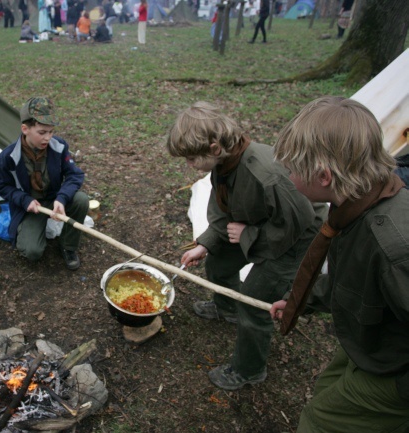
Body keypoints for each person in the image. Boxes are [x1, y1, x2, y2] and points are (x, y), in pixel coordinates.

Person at [269, 97, 409, 433]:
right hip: (370, 341)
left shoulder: (394, 247)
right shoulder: (358, 202)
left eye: (291, 169)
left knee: (319, 423)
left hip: (396, 369)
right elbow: (352, 275)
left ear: (323, 176)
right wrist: (303, 300)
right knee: (328, 389)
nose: (287, 176)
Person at [166, 102, 324, 390]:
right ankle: (226, 307)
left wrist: (250, 234)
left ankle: (250, 370)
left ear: (214, 148)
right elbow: (224, 208)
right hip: (258, 225)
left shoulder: (265, 173)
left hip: (296, 237)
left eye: (190, 158)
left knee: (255, 299)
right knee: (219, 262)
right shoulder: (225, 163)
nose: (188, 165)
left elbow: (301, 218)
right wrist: (207, 243)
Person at [0, 97, 88, 271]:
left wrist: (62, 198)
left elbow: (74, 175)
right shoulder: (7, 157)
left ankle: (68, 246)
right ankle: (37, 230)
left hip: (54, 200)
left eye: (51, 132)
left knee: (81, 199)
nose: (48, 138)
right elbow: (2, 186)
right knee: (32, 252)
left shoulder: (58, 146)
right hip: (31, 207)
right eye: (42, 132)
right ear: (25, 129)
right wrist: (24, 200)